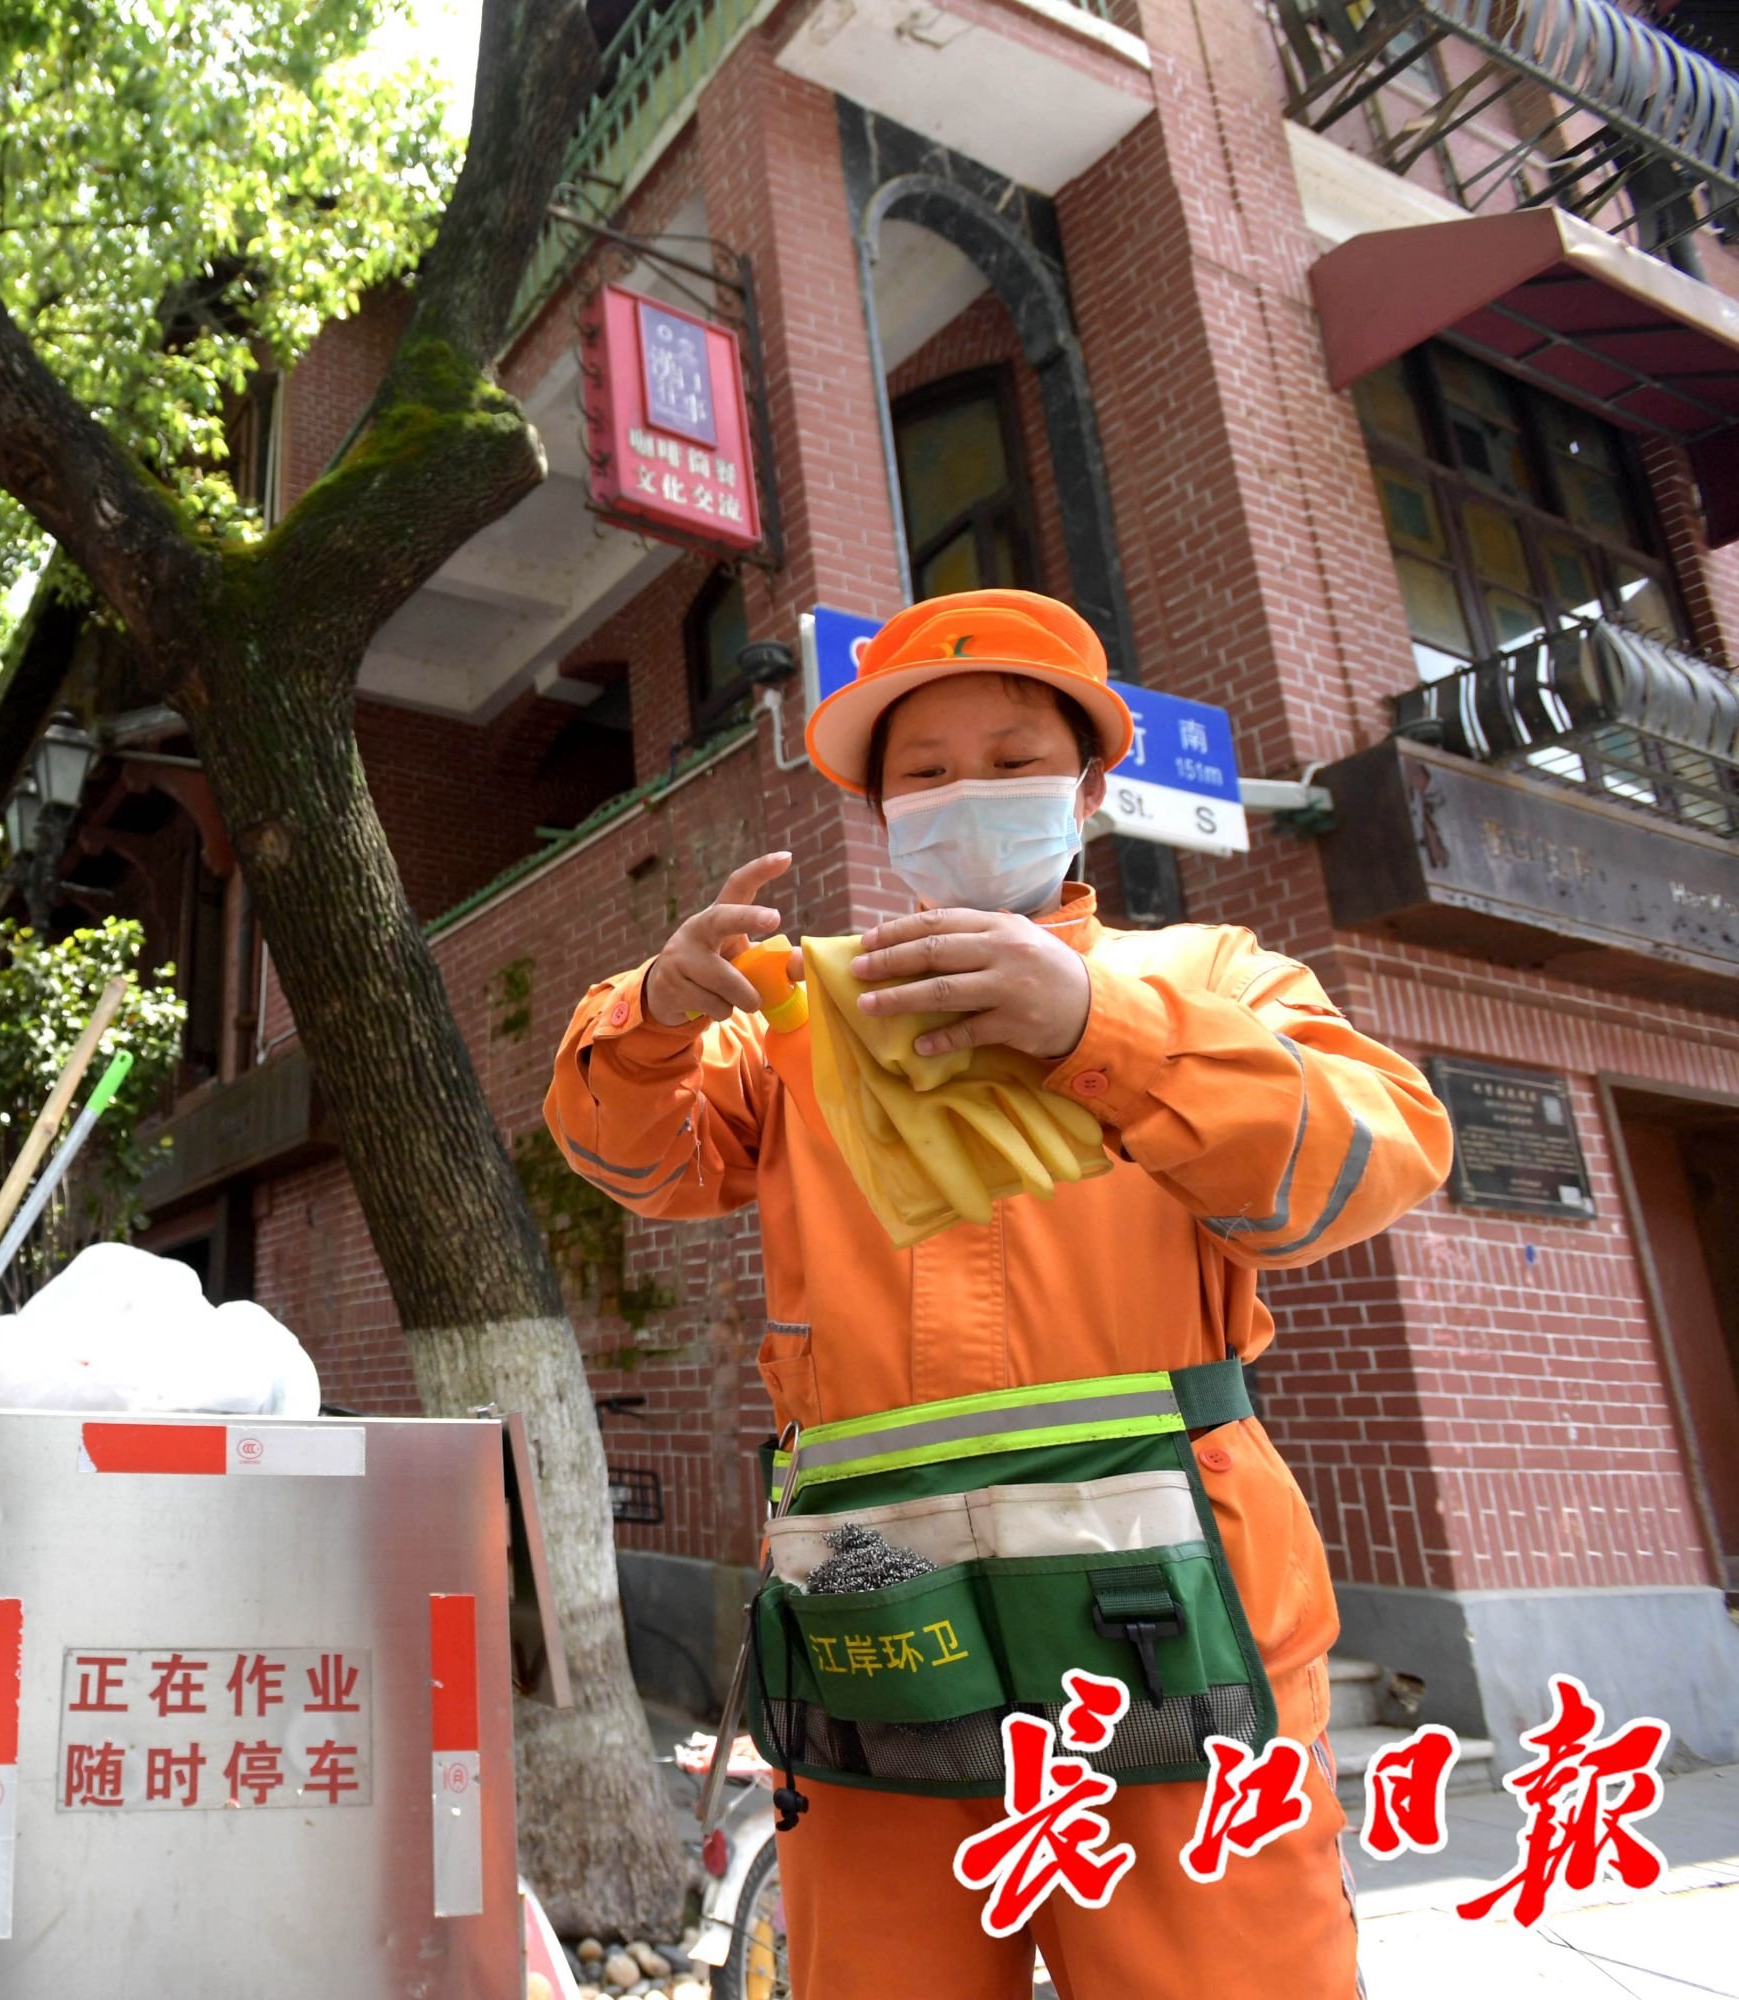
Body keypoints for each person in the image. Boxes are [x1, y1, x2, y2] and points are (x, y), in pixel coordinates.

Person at [545, 588, 1453, 1995]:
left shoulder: (1206, 975)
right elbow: (633, 1152)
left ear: (1090, 788)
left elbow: (1374, 1156)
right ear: (882, 810)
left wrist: (1095, 1025)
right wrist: (651, 1015)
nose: (971, 793)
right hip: (874, 1596)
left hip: (1167, 1592)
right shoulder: (795, 1016)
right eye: (928, 770)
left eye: (1016, 758)